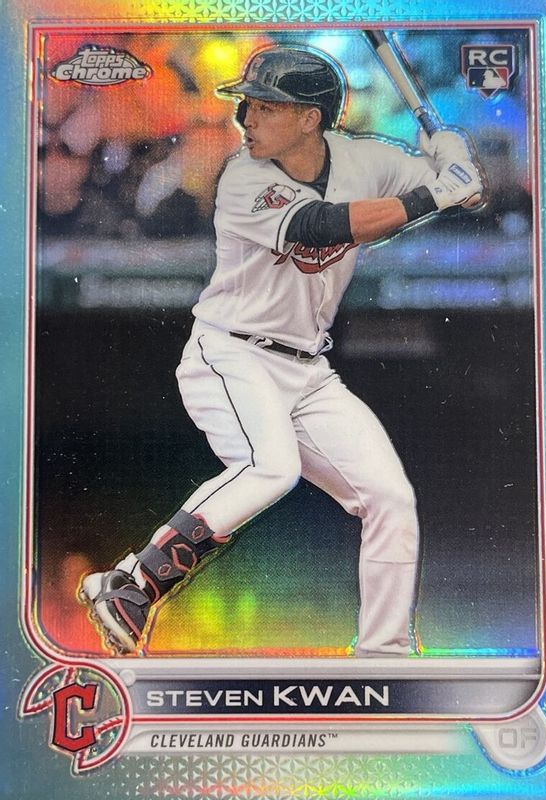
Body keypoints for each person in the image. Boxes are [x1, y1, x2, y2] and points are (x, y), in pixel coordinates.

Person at [80, 45, 484, 657]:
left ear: (310, 117)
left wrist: (452, 159)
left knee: (390, 498)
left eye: (266, 107)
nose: (246, 118)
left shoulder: (366, 159)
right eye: (248, 105)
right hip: (231, 354)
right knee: (271, 468)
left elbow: (459, 189)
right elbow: (322, 226)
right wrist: (437, 194)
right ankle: (133, 584)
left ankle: (384, 655)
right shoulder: (244, 177)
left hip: (307, 370)